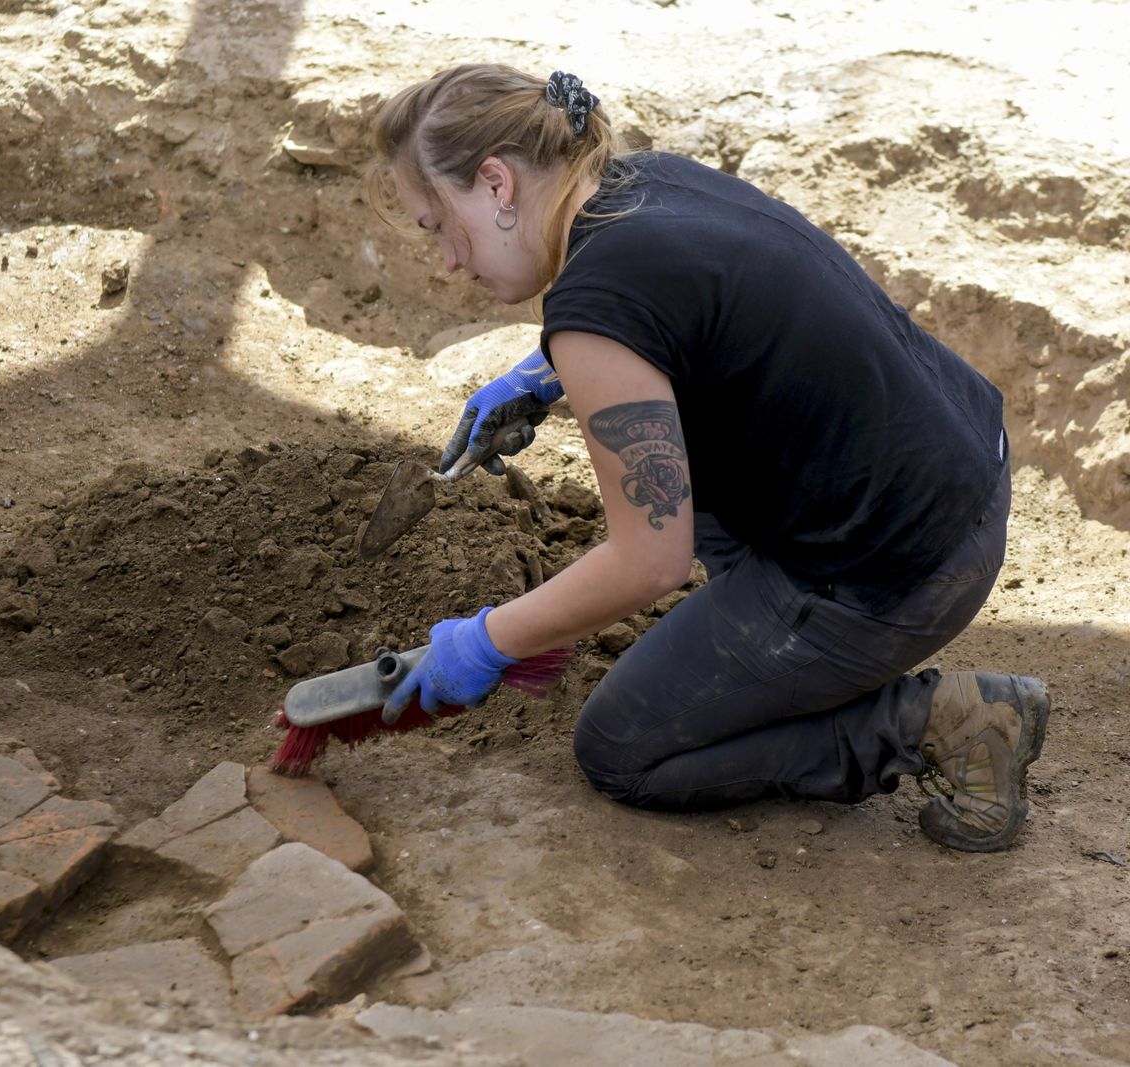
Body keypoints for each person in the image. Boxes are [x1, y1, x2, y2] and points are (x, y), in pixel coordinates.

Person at [365, 63, 1048, 852]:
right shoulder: (639, 181)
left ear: (495, 184)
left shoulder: (593, 313)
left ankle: (943, 720)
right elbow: (699, 308)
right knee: (695, 463)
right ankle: (776, 652)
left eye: (436, 224)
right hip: (962, 466)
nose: (449, 258)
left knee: (622, 748)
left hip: (903, 569)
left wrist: (484, 642)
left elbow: (650, 562)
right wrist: (548, 373)